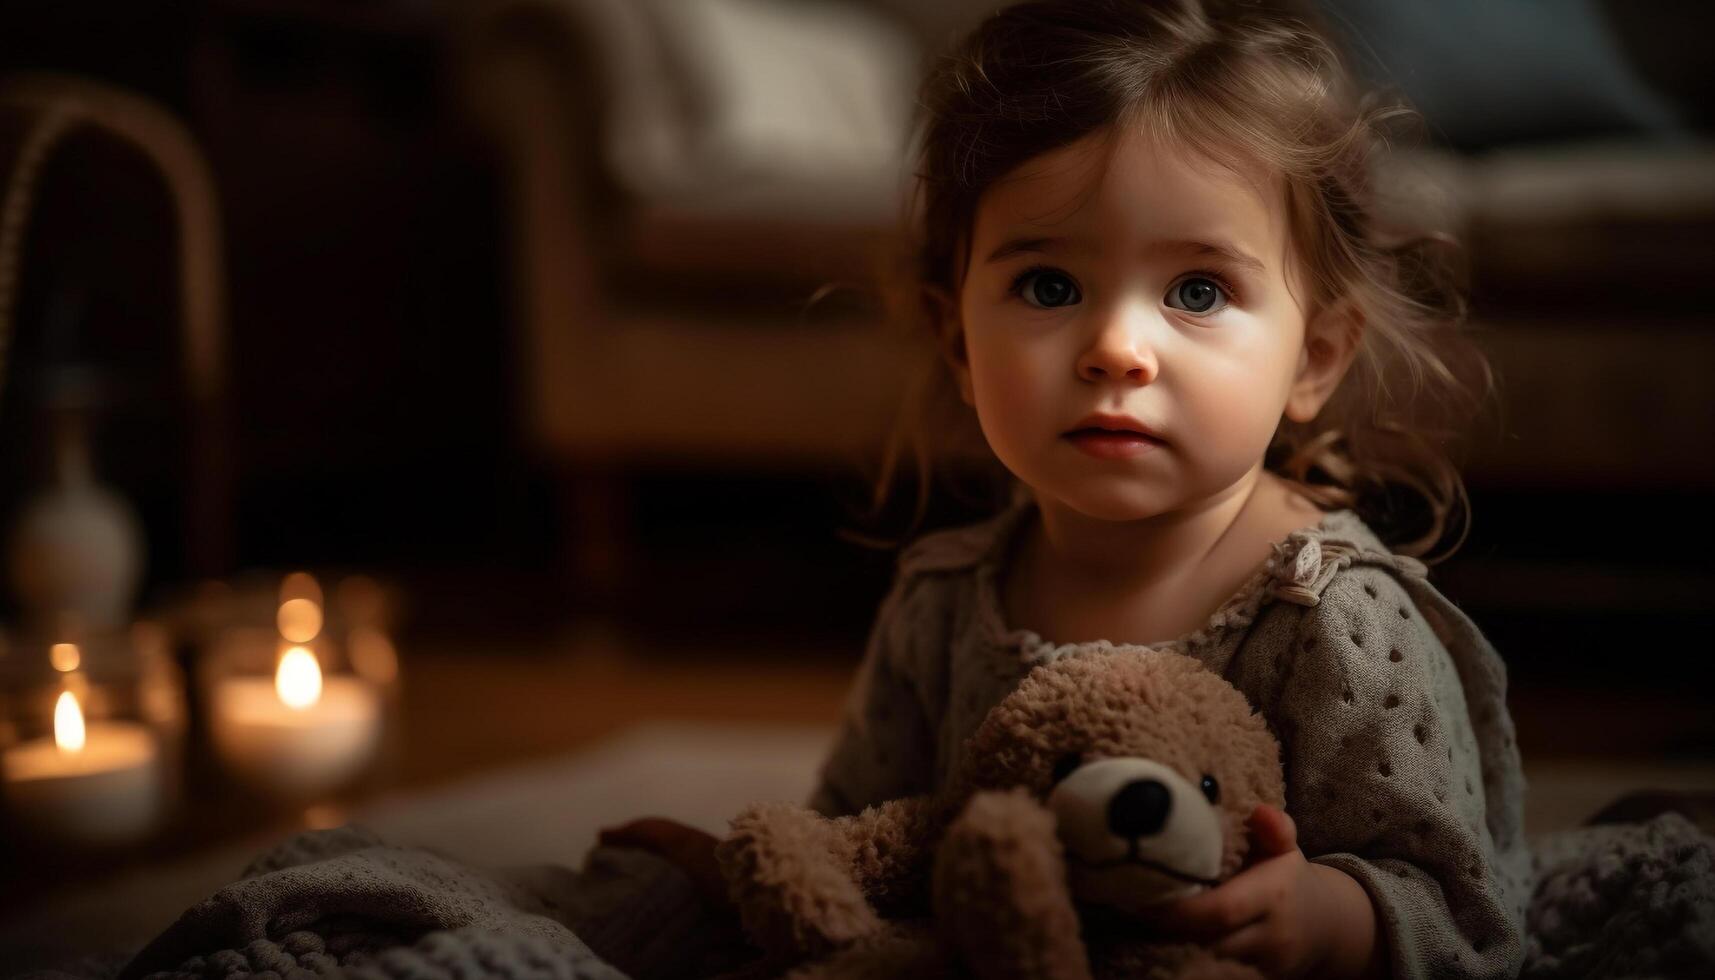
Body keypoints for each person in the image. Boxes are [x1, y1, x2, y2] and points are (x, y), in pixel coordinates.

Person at [605, 1, 1531, 977]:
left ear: (1315, 355)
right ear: (957, 339)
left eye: (1196, 291)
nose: (1114, 349)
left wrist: (1333, 915)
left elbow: (1466, 909)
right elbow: (863, 842)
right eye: (1048, 286)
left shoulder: (1334, 618)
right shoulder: (944, 599)